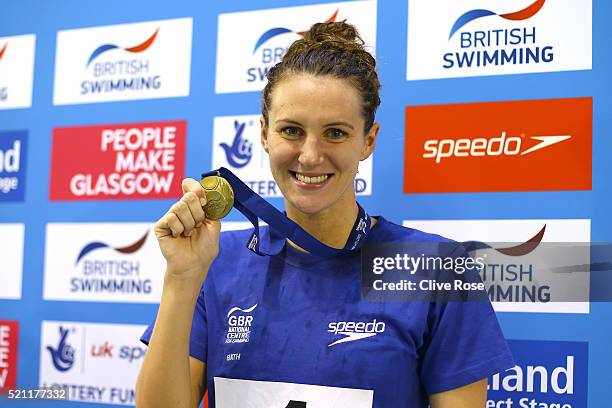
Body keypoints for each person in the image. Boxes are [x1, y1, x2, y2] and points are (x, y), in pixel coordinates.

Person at [136, 21, 514, 408]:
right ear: (264, 134)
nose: (310, 155)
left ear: (368, 140)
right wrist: (182, 278)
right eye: (291, 131)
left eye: (335, 133)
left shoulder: (433, 268)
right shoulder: (215, 263)